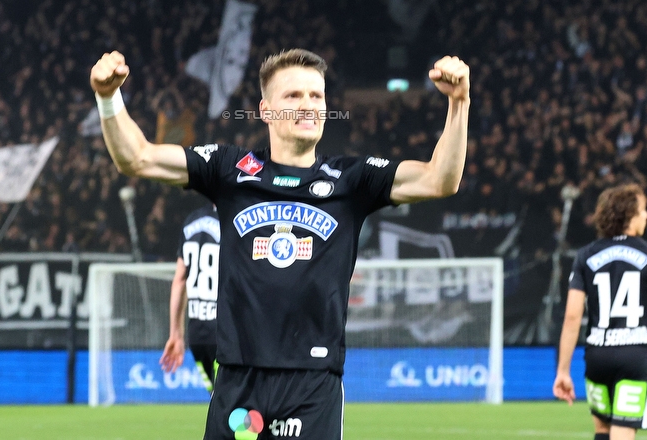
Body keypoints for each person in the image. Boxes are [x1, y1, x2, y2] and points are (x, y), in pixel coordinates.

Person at [91, 48, 469, 440]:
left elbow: (441, 179)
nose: (308, 105)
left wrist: (459, 103)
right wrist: (108, 97)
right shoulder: (229, 169)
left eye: (317, 96)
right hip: (239, 381)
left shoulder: (351, 180)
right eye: (293, 96)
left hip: (313, 386)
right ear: (266, 110)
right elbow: (137, 158)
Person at [553, 184, 647, 440]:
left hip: (597, 355)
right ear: (630, 214)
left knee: (602, 430)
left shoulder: (585, 256)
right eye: (643, 210)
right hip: (635, 355)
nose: (646, 215)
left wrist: (563, 371)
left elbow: (572, 318)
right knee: (622, 432)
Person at [160, 203, 221, 393]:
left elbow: (179, 279)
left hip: (197, 335)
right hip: (226, 334)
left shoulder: (191, 221)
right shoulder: (235, 220)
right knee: (236, 405)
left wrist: (176, 333)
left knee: (216, 401)